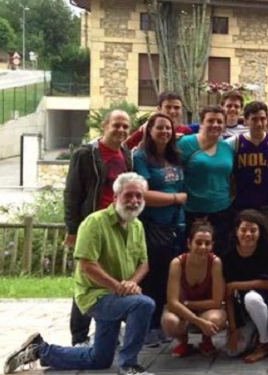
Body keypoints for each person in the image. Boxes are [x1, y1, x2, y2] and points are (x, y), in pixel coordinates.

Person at [6, 173, 155, 375]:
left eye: (139, 196)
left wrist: (131, 284)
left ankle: (39, 350)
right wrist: (120, 287)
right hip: (96, 295)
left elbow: (143, 264)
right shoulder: (94, 223)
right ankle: (129, 365)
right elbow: (87, 265)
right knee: (144, 304)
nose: (134, 201)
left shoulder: (136, 225)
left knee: (99, 359)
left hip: (118, 295)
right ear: (115, 197)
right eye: (128, 195)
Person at [64, 109, 134, 347]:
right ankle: (80, 337)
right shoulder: (86, 153)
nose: (121, 130)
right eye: (117, 125)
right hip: (92, 224)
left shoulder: (125, 152)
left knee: (113, 278)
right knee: (86, 280)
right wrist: (72, 229)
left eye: (126, 126)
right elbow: (72, 193)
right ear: (105, 125)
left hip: (117, 224)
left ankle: (108, 333)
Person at [133, 112, 186, 347]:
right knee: (151, 279)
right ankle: (146, 328)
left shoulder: (175, 156)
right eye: (159, 128)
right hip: (152, 226)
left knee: (168, 278)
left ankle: (160, 324)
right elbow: (142, 194)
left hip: (175, 226)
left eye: (168, 128)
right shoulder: (141, 157)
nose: (165, 132)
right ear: (149, 130)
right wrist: (174, 198)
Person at [222, 210, 268, 364]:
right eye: (243, 230)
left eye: (253, 230)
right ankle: (255, 331)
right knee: (232, 351)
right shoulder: (228, 254)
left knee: (252, 298)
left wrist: (236, 285)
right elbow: (227, 294)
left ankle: (264, 342)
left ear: (260, 232)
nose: (248, 234)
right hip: (244, 310)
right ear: (236, 231)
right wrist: (233, 329)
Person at [161, 222, 226, 357]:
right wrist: (198, 321)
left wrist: (187, 304)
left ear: (212, 245)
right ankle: (183, 342)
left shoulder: (215, 262)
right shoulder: (177, 263)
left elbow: (217, 302)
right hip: (180, 310)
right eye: (198, 242)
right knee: (170, 322)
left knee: (215, 319)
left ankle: (206, 340)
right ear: (189, 243)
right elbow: (172, 302)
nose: (203, 247)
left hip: (204, 309)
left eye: (207, 243)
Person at [177, 105, 234, 256]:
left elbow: (231, 177)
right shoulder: (185, 144)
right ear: (202, 122)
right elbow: (173, 174)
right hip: (193, 211)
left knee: (219, 253)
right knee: (193, 253)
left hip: (222, 210)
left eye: (219, 121)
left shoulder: (227, 147)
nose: (215, 125)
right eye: (210, 121)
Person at [227, 101, 268, 234]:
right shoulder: (234, 142)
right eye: (254, 119)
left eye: (262, 119)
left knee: (267, 242)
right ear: (245, 121)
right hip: (242, 205)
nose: (259, 123)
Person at [124, 92, 193, 149]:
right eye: (168, 107)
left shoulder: (186, 132)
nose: (172, 111)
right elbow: (125, 148)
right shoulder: (147, 129)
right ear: (159, 109)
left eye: (176, 108)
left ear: (181, 110)